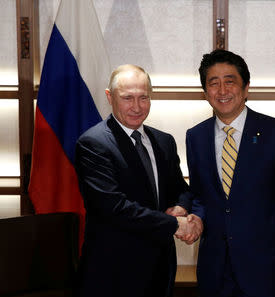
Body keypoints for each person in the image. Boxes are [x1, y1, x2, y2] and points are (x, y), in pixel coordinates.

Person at [184, 50, 275, 297]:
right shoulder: (195, 136)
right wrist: (192, 217)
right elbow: (200, 195)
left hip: (266, 268)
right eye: (214, 83)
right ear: (205, 92)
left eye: (230, 81)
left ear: (246, 88)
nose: (222, 90)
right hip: (215, 269)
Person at [74, 64, 202, 297]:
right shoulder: (93, 143)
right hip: (115, 272)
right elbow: (113, 208)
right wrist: (174, 224)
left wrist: (181, 207)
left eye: (143, 97)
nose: (136, 107)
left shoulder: (164, 141)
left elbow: (180, 188)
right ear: (109, 97)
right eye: (127, 98)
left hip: (160, 268)